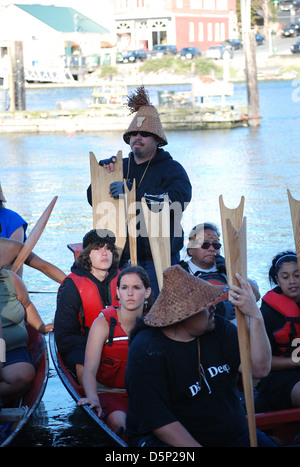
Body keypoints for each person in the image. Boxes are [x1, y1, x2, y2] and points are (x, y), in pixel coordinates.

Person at [125, 264, 276, 447]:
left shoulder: (217, 327)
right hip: (169, 442)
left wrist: (256, 316)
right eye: (205, 305)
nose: (213, 308)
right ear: (183, 315)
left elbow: (259, 369)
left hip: (233, 435)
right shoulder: (146, 348)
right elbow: (159, 420)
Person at [87, 85, 192, 299]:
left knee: (158, 308)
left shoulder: (172, 169)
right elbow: (94, 199)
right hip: (120, 256)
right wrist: (103, 176)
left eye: (144, 133)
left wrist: (133, 193)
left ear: (157, 140)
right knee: (119, 311)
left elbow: (178, 201)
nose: (138, 137)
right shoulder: (119, 166)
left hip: (158, 258)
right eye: (133, 133)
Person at [78, 266, 152, 433]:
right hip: (110, 393)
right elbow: (89, 370)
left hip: (146, 393)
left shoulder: (155, 323)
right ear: (118, 292)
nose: (130, 293)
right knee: (120, 423)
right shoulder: (103, 324)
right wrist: (93, 398)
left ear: (147, 292)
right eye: (124, 288)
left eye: (136, 288)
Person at [54, 229, 120, 385]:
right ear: (86, 255)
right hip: (83, 346)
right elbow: (64, 338)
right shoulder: (72, 287)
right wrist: (98, 345)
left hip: (119, 342)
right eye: (97, 249)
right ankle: (91, 394)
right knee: (81, 361)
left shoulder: (124, 279)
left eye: (108, 249)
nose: (105, 253)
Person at [180, 223, 261, 312]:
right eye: (204, 244)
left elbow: (256, 296)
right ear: (190, 250)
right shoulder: (180, 271)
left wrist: (231, 271)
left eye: (216, 245)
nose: (211, 248)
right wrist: (218, 310)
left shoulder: (226, 267)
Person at [255, 251, 300, 412]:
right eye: (285, 277)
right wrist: (296, 362)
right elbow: (261, 362)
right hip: (280, 377)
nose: (292, 281)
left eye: (297, 275)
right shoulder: (267, 313)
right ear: (277, 280)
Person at [0, 268, 53, 405]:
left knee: (22, 376)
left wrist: (41, 327)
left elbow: (27, 305)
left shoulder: (10, 279)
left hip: (11, 349)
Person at [0, 237, 66, 284]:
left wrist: (71, 284)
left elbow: (45, 267)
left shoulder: (13, 247)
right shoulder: (12, 246)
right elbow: (44, 267)